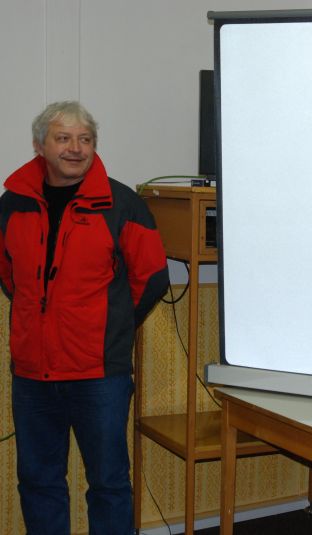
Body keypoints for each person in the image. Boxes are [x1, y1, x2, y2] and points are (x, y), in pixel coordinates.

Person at [0, 101, 169, 535]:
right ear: (40, 145)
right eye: (63, 138)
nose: (75, 148)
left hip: (99, 374)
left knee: (109, 484)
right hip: (33, 374)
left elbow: (152, 277)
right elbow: (9, 275)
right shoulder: (12, 203)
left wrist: (110, 323)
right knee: (38, 482)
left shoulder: (122, 203)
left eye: (85, 139)